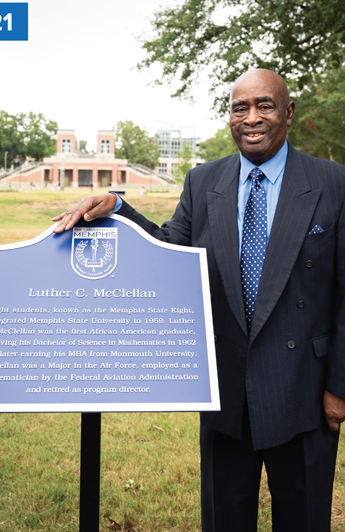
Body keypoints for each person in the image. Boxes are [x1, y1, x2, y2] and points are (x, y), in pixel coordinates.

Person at [52, 69, 345, 532]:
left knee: (304, 519)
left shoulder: (332, 182)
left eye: (264, 106)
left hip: (305, 395)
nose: (251, 118)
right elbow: (172, 251)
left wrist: (339, 387)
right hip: (226, 392)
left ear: (288, 112)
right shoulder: (203, 180)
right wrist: (119, 206)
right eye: (239, 108)